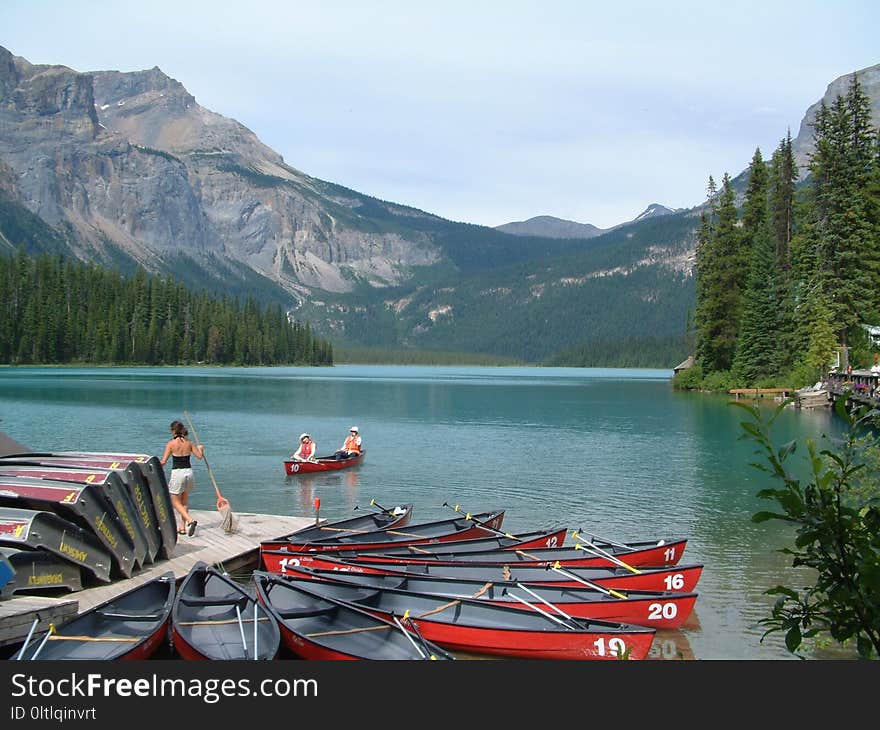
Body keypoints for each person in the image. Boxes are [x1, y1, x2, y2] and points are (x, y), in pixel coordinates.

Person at [159, 419, 204, 537]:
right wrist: (201, 449)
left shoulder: (171, 444)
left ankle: (190, 520)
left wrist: (156, 466)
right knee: (184, 500)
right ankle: (182, 528)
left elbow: (163, 461)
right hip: (189, 473)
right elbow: (199, 456)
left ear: (173, 431)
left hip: (178, 473)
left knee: (175, 501)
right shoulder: (189, 442)